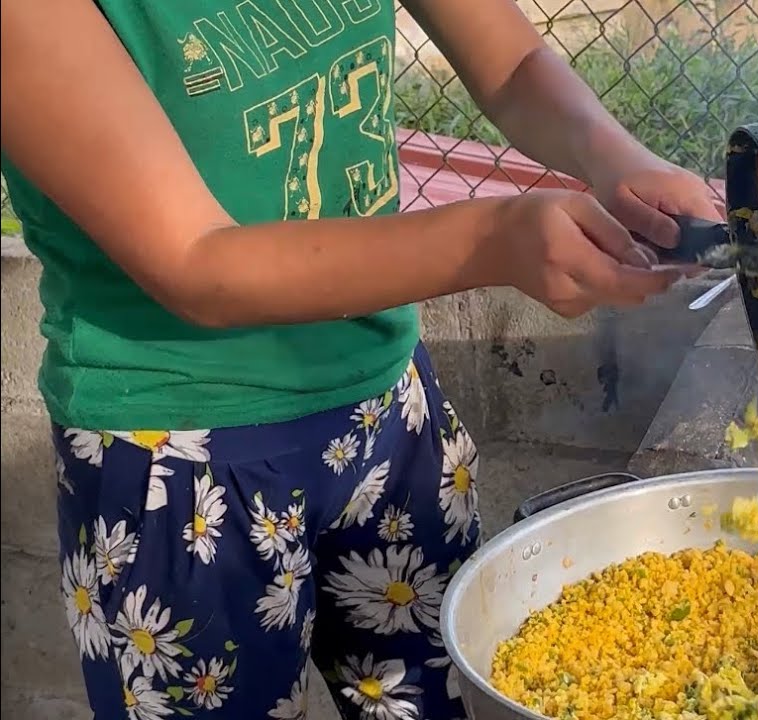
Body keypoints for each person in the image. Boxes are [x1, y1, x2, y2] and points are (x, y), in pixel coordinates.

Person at [0, 0, 721, 717]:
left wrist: (618, 160)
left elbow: (509, 61)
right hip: (179, 459)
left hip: (387, 405)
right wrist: (492, 241)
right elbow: (196, 265)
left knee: (449, 698)